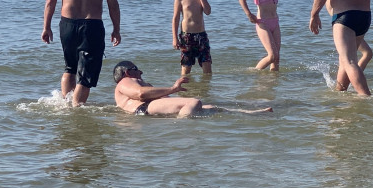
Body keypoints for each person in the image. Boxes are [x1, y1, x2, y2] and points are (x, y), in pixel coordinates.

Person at [41, 0, 121, 106]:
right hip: (91, 26)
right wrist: (116, 29)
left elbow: (50, 1)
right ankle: (76, 110)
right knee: (86, 76)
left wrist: (46, 27)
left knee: (69, 68)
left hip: (67, 24)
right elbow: (113, 3)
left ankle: (66, 105)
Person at [112, 61, 271, 117]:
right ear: (127, 72)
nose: (140, 72)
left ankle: (254, 114)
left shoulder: (137, 81)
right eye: (136, 68)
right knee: (194, 102)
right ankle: (184, 128)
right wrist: (173, 88)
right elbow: (140, 94)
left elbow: (160, 99)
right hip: (141, 109)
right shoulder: (125, 82)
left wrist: (173, 96)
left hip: (148, 109)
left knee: (212, 108)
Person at [238, 0, 284, 71]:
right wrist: (249, 14)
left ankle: (273, 83)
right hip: (263, 23)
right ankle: (254, 73)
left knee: (276, 58)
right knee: (272, 55)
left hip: (275, 22)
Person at [172, 0, 213, 75]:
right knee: (186, 68)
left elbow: (208, 12)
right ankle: (185, 90)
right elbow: (176, 18)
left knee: (207, 67)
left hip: (201, 35)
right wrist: (175, 38)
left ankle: (206, 90)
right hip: (187, 36)